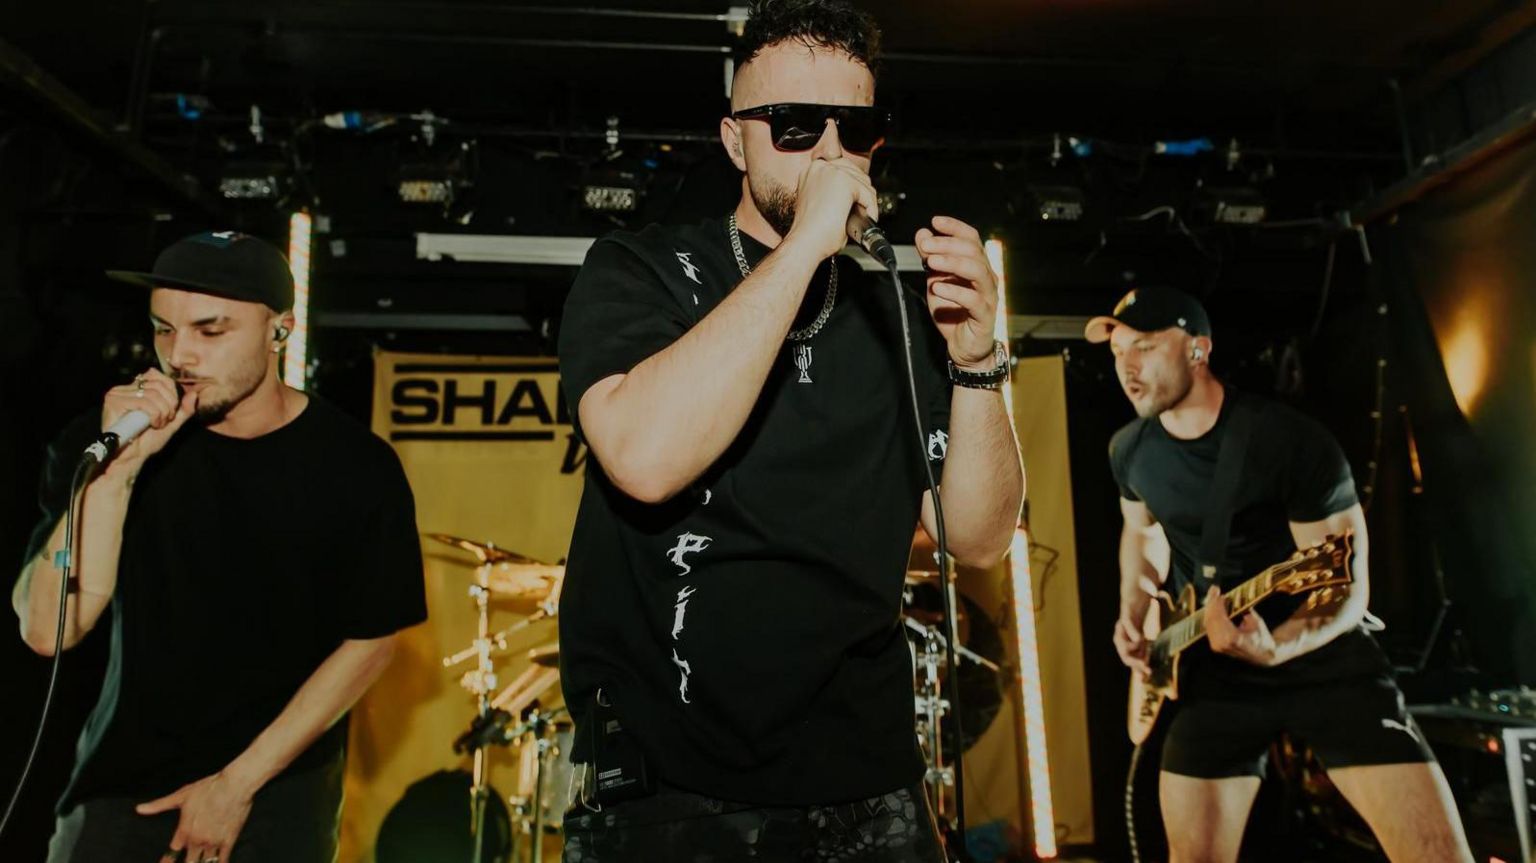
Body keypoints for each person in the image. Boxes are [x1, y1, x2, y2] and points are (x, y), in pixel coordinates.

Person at [554, 1, 1024, 859]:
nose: (831, 155)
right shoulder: (641, 269)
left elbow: (983, 537)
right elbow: (644, 459)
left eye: (858, 128)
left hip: (866, 782)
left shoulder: (899, 310)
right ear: (734, 141)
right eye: (797, 127)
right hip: (671, 787)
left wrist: (980, 359)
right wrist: (804, 248)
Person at [11, 231, 428, 863]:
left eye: (211, 331)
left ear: (279, 330)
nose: (180, 355)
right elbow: (49, 630)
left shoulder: (355, 466)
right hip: (124, 788)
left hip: (274, 791)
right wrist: (117, 475)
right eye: (163, 330)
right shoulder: (105, 442)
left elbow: (372, 639)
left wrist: (236, 785)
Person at [1093, 286, 1473, 862]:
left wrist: (1278, 647)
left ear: (1198, 350)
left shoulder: (1289, 443)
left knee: (1437, 857)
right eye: (1118, 350)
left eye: (1144, 346)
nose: (1127, 365)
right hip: (1212, 664)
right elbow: (1142, 533)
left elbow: (1345, 588)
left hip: (1321, 654)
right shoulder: (1130, 449)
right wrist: (1137, 607)